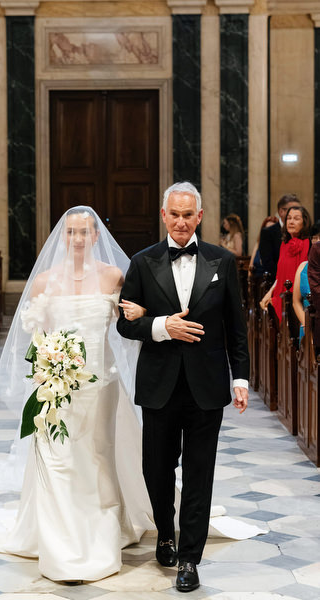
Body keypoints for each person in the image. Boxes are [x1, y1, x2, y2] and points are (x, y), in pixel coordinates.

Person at [0, 206, 154, 582]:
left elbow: (129, 322)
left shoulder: (113, 276)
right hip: (56, 387)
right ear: (62, 237)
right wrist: (48, 368)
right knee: (57, 458)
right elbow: (33, 336)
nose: (77, 239)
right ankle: (60, 539)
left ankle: (100, 525)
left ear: (95, 236)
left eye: (84, 232)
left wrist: (140, 312)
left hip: (102, 385)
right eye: (70, 232)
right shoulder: (44, 281)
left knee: (97, 455)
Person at [117, 182, 249, 593]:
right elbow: (124, 322)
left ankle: (190, 559)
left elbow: (236, 326)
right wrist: (160, 325)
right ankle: (165, 533)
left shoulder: (222, 262)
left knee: (199, 474)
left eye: (187, 214)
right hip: (159, 384)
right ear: (163, 215)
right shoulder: (142, 262)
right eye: (173, 214)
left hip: (207, 385)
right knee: (156, 470)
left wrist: (240, 377)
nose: (180, 221)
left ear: (200, 217)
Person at [260, 205, 311, 322]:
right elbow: (279, 276)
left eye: (296, 218)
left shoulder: (307, 244)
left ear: (304, 222)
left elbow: (303, 277)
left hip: (296, 298)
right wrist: (269, 293)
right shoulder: (284, 245)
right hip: (281, 294)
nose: (291, 222)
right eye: (289, 218)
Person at [258, 193, 301, 282]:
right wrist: (283, 278)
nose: (298, 212)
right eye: (293, 209)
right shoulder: (268, 232)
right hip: (277, 280)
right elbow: (267, 262)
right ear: (281, 212)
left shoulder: (303, 232)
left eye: (299, 209)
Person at [293, 223, 320, 339]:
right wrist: (305, 323)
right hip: (306, 323)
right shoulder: (303, 267)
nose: (317, 241)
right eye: (314, 238)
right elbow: (296, 301)